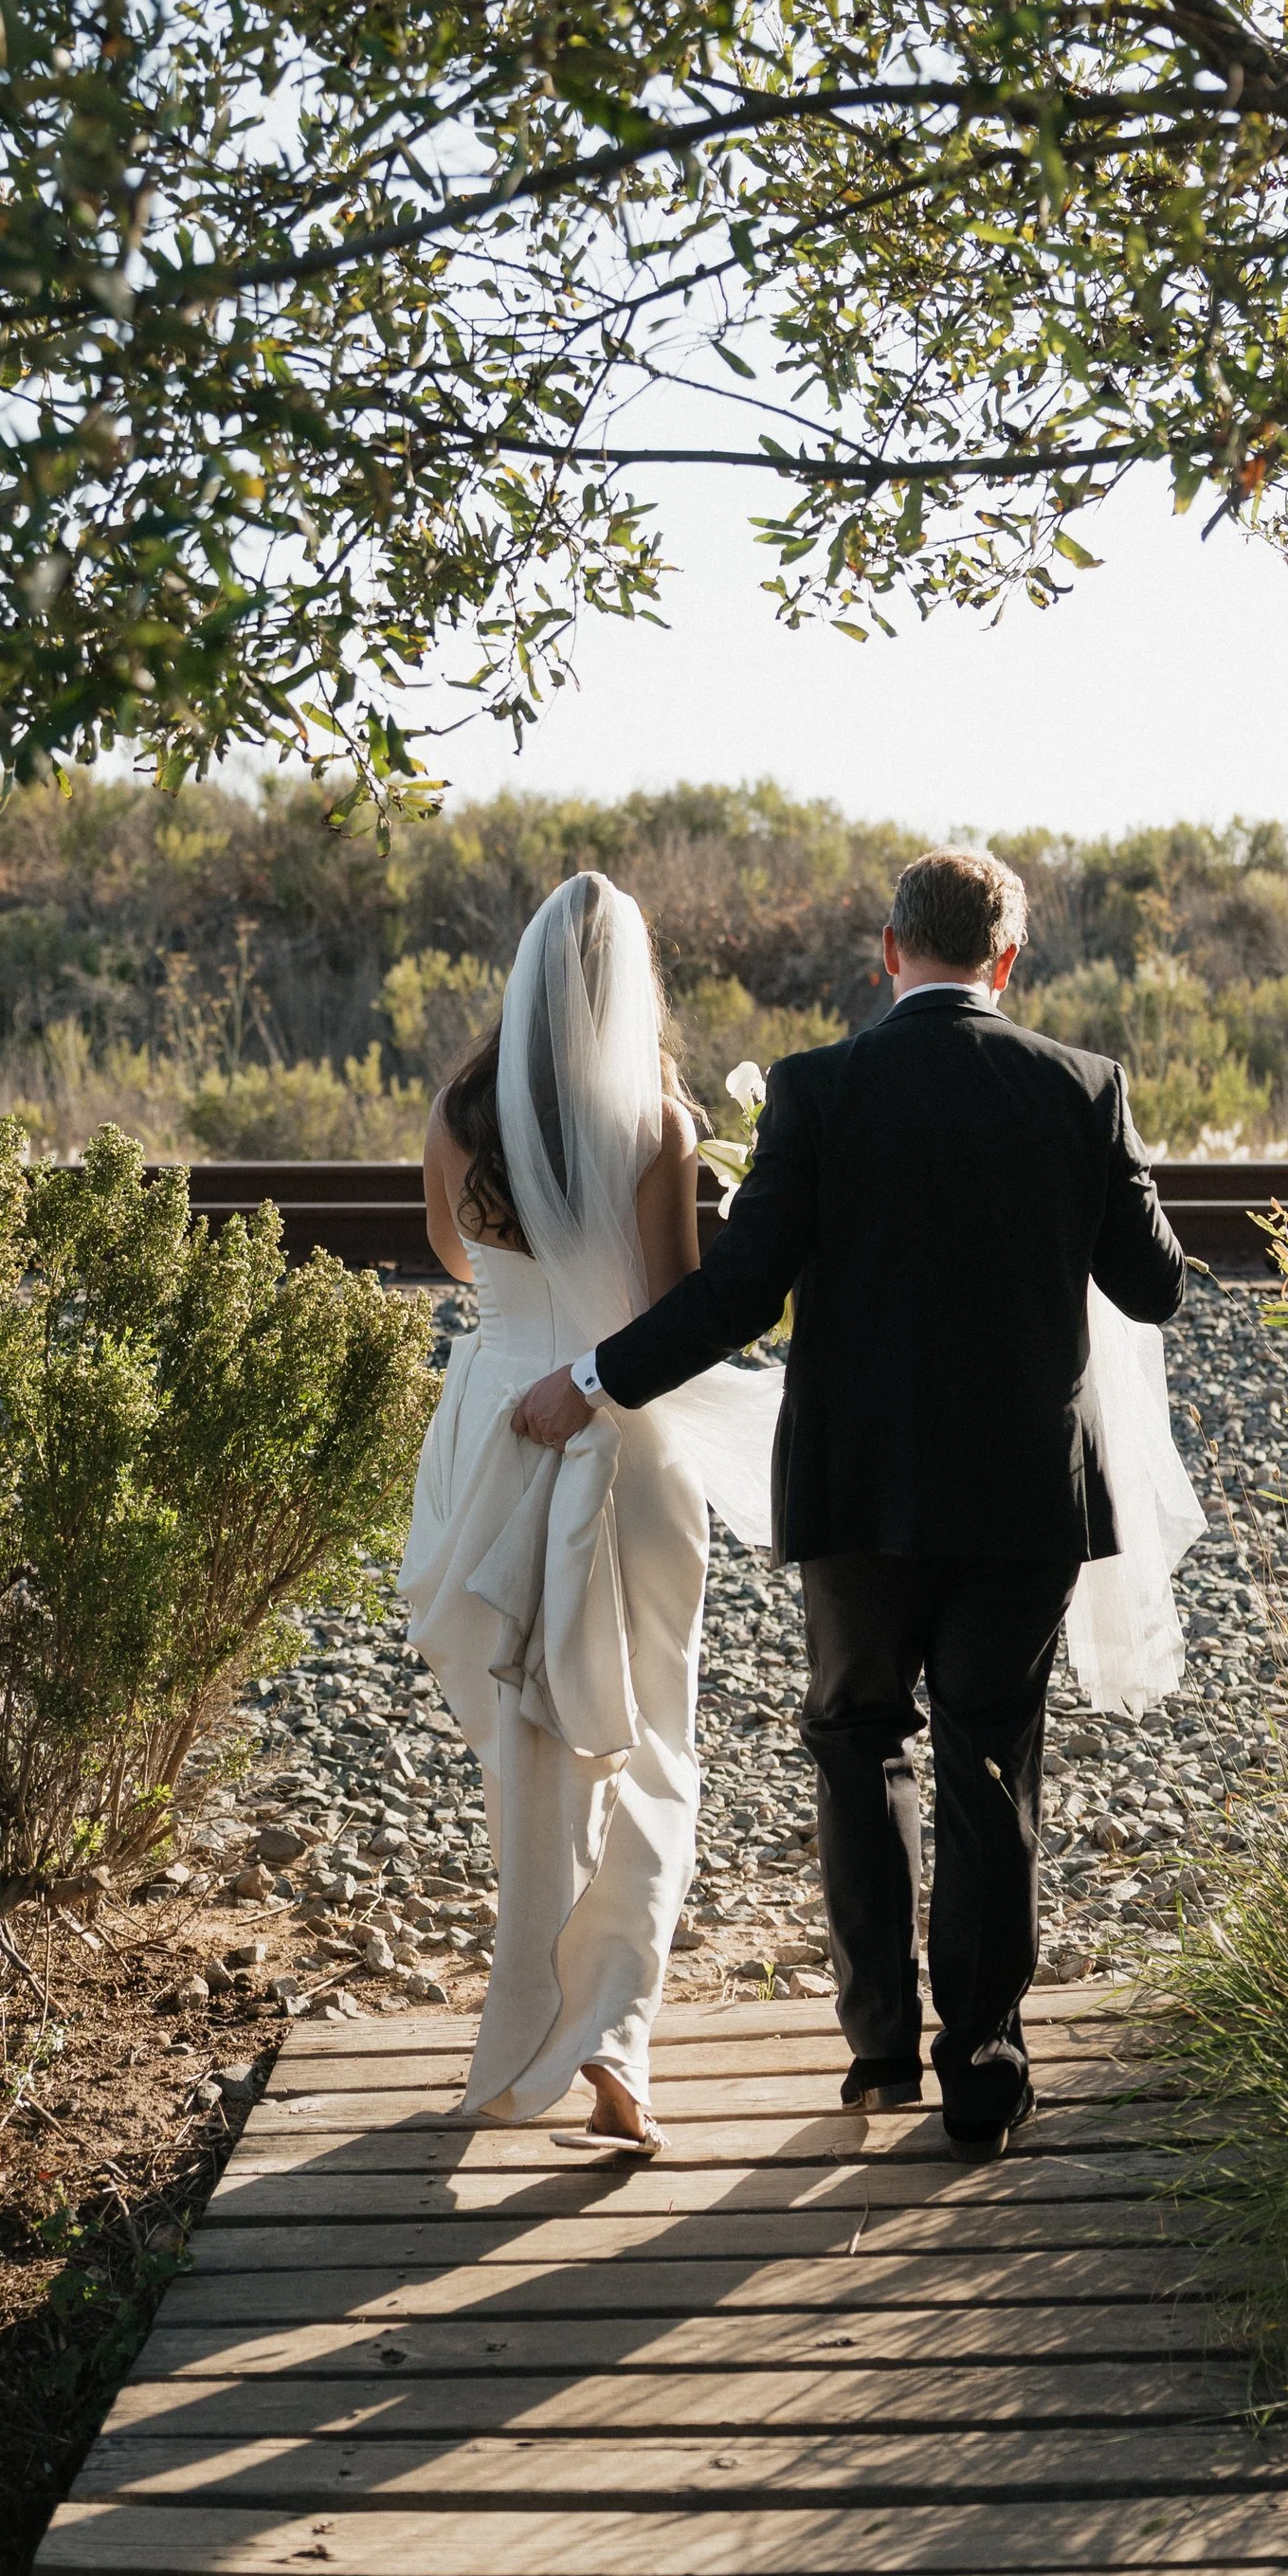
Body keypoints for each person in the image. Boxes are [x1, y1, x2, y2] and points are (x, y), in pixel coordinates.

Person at [514, 844, 1193, 2153]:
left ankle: (880, 2046)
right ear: (1010, 962)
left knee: (857, 1739)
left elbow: (735, 1297)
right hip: (1019, 1506)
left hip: (858, 1492)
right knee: (990, 1769)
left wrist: (593, 1376)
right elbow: (1155, 1285)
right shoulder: (1084, 1087)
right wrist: (1114, 1163)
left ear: (891, 951)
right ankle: (984, 2079)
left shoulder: (821, 1092)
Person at [399, 872, 777, 2156]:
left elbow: (456, 1258)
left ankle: (533, 2026)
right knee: (650, 1738)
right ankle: (617, 2041)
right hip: (624, 1438)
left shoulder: (461, 1109)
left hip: (499, 1430)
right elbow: (671, 1306)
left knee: (534, 1754)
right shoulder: (661, 1124)